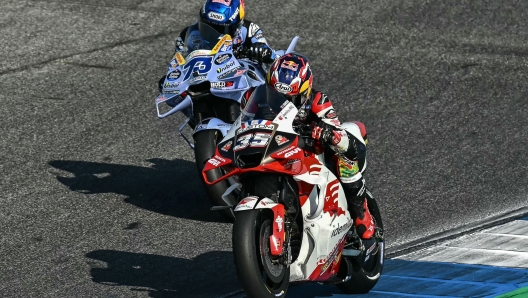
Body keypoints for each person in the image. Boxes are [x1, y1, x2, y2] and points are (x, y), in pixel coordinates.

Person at [245, 53, 375, 240]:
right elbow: (241, 122)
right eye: (275, 95)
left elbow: (339, 133)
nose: (281, 102)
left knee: (343, 155)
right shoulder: (253, 96)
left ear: (304, 92)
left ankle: (361, 211)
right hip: (271, 146)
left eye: (289, 98)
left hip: (310, 150)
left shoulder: (318, 101)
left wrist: (326, 132)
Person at [158, 0, 275, 92]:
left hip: (242, 78)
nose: (214, 35)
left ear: (237, 26)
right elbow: (177, 62)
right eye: (207, 27)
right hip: (205, 79)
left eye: (221, 29)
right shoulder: (188, 34)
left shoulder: (250, 29)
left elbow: (271, 55)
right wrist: (170, 79)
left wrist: (263, 51)